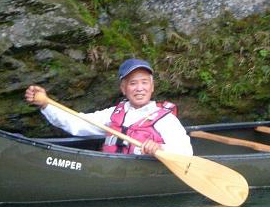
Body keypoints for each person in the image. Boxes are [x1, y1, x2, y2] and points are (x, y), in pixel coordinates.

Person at [25, 58, 193, 156]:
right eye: (133, 83)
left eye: (144, 82)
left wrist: (160, 149)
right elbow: (77, 123)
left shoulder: (165, 119)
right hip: (113, 168)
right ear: (123, 88)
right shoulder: (114, 114)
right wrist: (46, 104)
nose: (140, 88)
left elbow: (186, 152)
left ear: (152, 86)